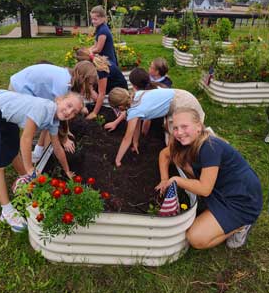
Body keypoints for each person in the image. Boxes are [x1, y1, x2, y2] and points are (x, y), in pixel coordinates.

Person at [0, 90, 83, 232]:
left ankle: (24, 178)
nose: (69, 112)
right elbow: (26, 139)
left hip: (2, 113)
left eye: (74, 112)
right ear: (59, 100)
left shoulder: (54, 119)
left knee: (11, 146)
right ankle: (7, 211)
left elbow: (57, 147)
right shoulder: (43, 109)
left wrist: (67, 171)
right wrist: (30, 168)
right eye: (69, 105)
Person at [155, 107, 263, 249]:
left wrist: (177, 179)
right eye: (175, 128)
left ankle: (241, 225)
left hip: (241, 197)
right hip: (220, 189)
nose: (179, 132)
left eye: (184, 126)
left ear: (198, 126)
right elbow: (164, 155)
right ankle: (213, 210)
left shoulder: (210, 147)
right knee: (181, 160)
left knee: (196, 238)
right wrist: (164, 179)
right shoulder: (183, 141)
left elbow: (205, 189)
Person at [9, 62, 98, 161]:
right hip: (20, 88)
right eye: (89, 84)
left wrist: (67, 130)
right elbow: (59, 114)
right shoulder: (63, 84)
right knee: (35, 124)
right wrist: (64, 139)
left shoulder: (69, 79)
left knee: (47, 119)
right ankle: (29, 157)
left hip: (30, 88)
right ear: (82, 78)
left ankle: (39, 153)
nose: (90, 87)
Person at [108, 85, 205, 167]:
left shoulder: (134, 111)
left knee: (178, 140)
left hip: (183, 104)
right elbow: (136, 125)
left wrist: (117, 160)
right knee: (173, 137)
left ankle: (192, 159)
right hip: (182, 95)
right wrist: (135, 143)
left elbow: (126, 138)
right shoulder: (137, 95)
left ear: (120, 107)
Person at [75, 48, 128, 120]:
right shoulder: (96, 60)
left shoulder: (100, 70)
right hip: (109, 85)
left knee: (95, 96)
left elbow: (102, 94)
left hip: (119, 92)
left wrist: (94, 113)